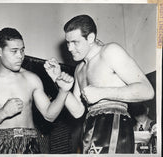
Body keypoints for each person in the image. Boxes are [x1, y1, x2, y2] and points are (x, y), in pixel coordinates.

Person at [44, 14, 154, 154]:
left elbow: (147, 91)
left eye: (75, 42)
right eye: (68, 42)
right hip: (89, 127)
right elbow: (78, 112)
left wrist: (102, 93)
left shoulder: (109, 51)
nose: (70, 48)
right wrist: (60, 83)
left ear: (90, 38)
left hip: (115, 124)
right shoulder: (79, 69)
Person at [0, 27, 74, 154]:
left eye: (22, 50)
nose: (20, 56)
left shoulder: (31, 79)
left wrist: (63, 92)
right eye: (14, 51)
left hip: (30, 144)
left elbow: (49, 115)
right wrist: (2, 113)